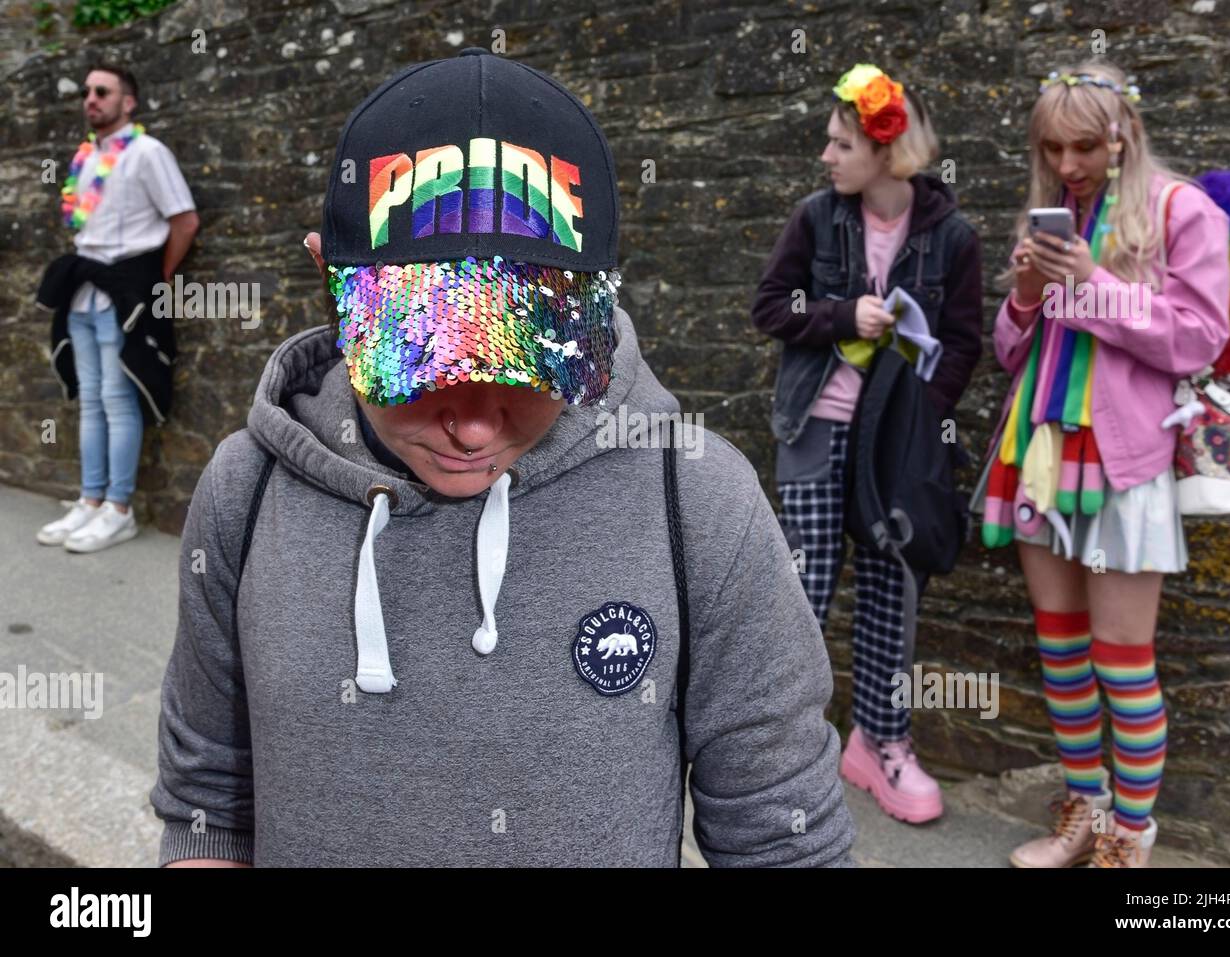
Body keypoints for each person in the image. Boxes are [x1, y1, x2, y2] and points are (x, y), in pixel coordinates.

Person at [150, 49, 855, 867]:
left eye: (536, 354)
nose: (475, 425)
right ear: (328, 282)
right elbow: (208, 800)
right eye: (418, 353)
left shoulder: (698, 500)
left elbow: (783, 835)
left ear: (603, 298)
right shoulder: (246, 490)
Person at [974, 61, 1230, 868]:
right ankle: (1083, 815)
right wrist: (1023, 294)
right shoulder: (1057, 214)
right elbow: (1011, 351)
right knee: (1059, 643)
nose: (1068, 164)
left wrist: (1096, 283)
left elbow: (1198, 336)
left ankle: (1130, 836)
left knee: (1122, 653)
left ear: (1125, 134)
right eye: (1052, 147)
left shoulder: (1179, 209)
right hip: (1038, 447)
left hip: (1122, 455)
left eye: (1083, 145)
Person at [751, 64, 983, 824]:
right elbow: (771, 306)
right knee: (804, 587)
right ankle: (777, 743)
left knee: (893, 588)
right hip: (816, 423)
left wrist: (922, 415)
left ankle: (879, 742)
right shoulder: (817, 218)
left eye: (841, 142)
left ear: (888, 152)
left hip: (896, 446)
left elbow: (962, 342)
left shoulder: (952, 237)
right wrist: (842, 315)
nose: (826, 155)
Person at [35, 64, 199, 553]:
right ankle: (90, 501)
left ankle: (119, 508)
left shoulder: (148, 153)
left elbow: (185, 221)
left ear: (128, 102)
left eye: (101, 91)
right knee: (89, 399)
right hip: (82, 294)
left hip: (123, 293)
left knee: (116, 397)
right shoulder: (84, 158)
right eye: (86, 92)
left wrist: (157, 278)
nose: (90, 99)